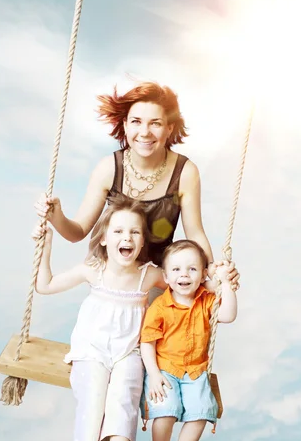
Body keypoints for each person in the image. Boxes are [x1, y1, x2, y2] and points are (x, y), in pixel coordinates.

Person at [33, 81, 240, 288]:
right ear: (125, 124)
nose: (145, 132)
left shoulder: (185, 172)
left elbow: (195, 233)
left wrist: (211, 271)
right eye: (136, 121)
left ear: (169, 128)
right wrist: (56, 216)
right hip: (114, 279)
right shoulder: (108, 169)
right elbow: (77, 232)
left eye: (155, 123)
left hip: (158, 279)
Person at [33, 196, 167, 441]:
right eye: (118, 232)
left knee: (124, 397)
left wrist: (221, 280)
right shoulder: (93, 270)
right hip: (91, 350)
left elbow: (189, 282)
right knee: (93, 395)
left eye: (134, 232)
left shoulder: (148, 275)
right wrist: (46, 245)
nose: (126, 238)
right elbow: (46, 284)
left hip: (128, 353)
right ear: (104, 239)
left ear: (143, 240)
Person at [140, 239, 237, 441]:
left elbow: (228, 315)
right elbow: (147, 342)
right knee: (166, 410)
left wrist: (226, 284)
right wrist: (153, 374)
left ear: (204, 274)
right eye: (176, 270)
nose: (184, 275)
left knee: (201, 413)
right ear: (166, 276)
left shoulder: (205, 299)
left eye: (192, 269)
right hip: (165, 369)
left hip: (195, 371)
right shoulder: (160, 306)